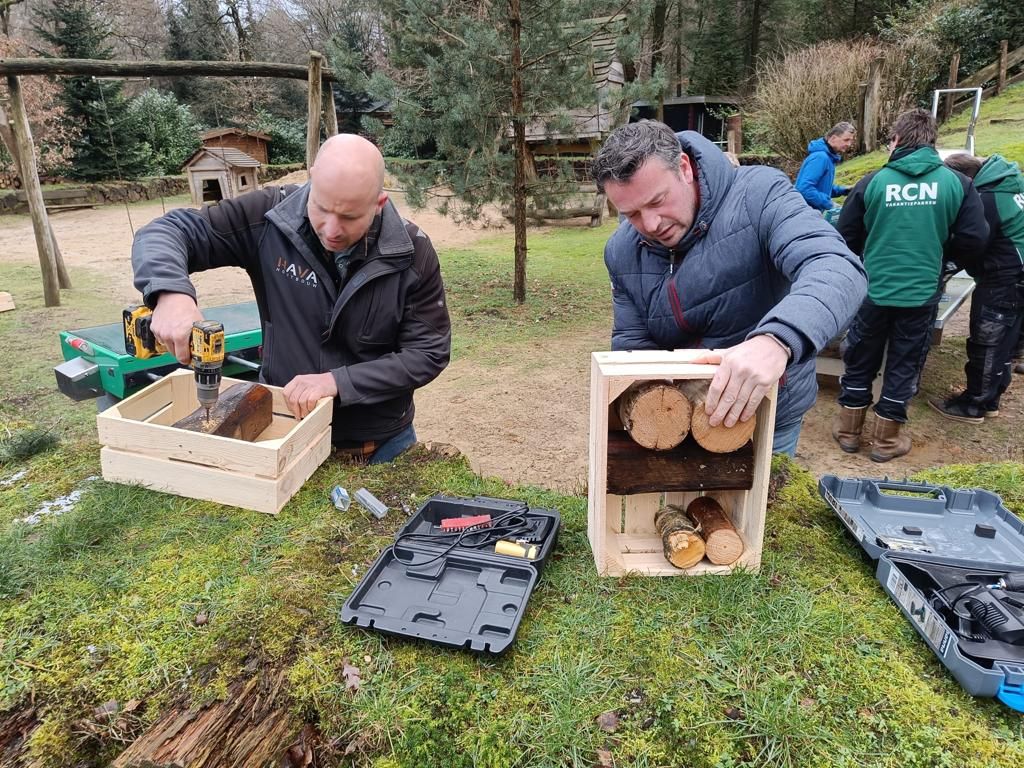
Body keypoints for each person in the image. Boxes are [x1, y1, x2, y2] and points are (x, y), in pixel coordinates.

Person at [131, 134, 451, 464]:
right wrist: (170, 293)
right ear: (311, 180)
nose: (331, 230)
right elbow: (167, 231)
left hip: (379, 443)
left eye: (350, 218)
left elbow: (428, 353)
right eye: (322, 208)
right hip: (282, 430)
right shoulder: (269, 218)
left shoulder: (411, 252)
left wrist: (337, 381)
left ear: (379, 203)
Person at [591, 120, 867, 457]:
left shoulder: (759, 195)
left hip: (765, 417)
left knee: (765, 505)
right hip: (674, 419)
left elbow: (836, 266)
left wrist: (777, 340)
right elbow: (633, 346)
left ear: (684, 167)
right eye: (631, 214)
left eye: (657, 201)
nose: (650, 225)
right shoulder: (621, 250)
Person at [833, 109, 988, 462]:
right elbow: (975, 239)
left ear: (896, 140)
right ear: (931, 143)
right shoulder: (958, 184)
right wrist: (944, 263)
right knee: (905, 361)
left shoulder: (872, 182)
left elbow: (845, 237)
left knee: (861, 355)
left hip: (873, 289)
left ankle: (848, 432)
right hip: (921, 291)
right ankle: (886, 442)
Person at [928, 152, 1024, 422]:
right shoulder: (1010, 184)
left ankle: (973, 405)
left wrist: (943, 267)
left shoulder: (986, 199)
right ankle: (991, 399)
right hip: (1018, 275)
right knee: (1006, 341)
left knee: (987, 341)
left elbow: (970, 242)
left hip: (1004, 279)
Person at [794, 122, 857, 212]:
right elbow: (804, 189)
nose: (849, 144)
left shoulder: (828, 157)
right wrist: (829, 203)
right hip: (807, 215)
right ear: (833, 138)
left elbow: (822, 188)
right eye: (846, 140)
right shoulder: (820, 157)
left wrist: (844, 190)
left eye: (851, 141)